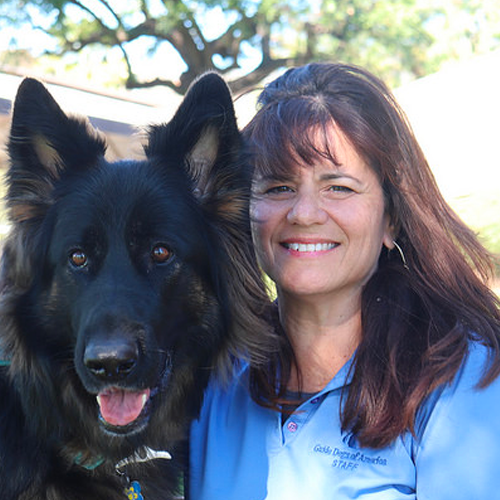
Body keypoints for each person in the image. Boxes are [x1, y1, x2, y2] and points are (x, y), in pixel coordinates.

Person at [188, 62, 500, 499]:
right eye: (279, 187)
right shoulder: (214, 374)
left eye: (339, 187)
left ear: (391, 217)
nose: (305, 213)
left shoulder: (465, 379)